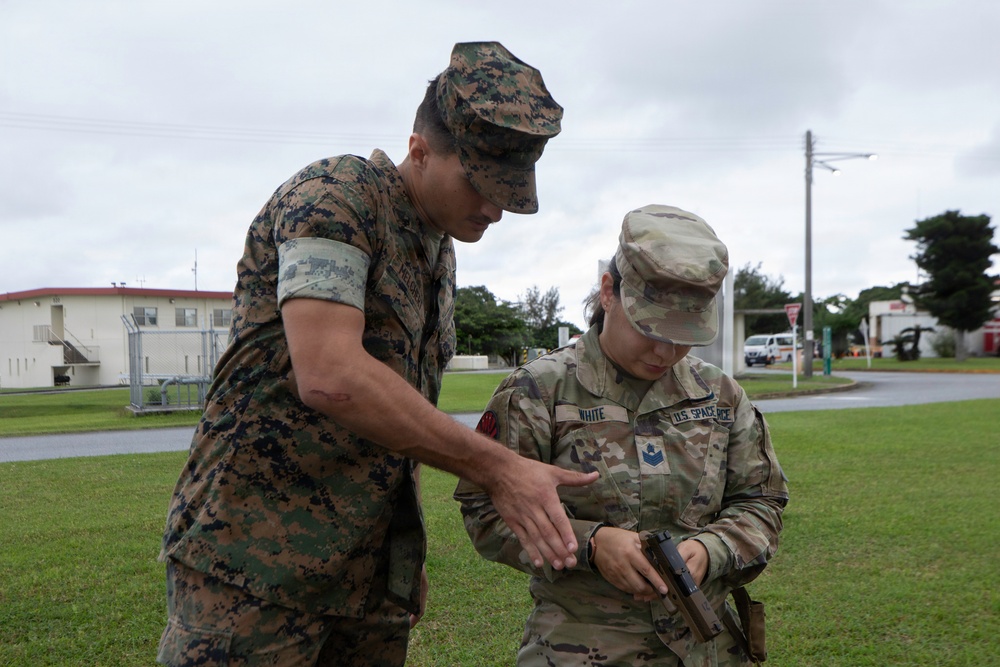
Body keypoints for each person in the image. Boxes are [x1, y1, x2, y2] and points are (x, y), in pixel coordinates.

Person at [157, 41, 598, 667]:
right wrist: (501, 469)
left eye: (510, 189)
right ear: (419, 149)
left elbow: (406, 417)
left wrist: (402, 555)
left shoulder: (438, 251)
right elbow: (332, 376)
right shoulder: (336, 198)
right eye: (480, 183)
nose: (495, 209)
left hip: (365, 577)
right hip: (251, 569)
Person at [455, 204, 789, 666]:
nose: (665, 351)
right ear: (608, 292)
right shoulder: (538, 391)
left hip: (707, 651)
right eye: (649, 328)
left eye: (684, 334)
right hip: (581, 650)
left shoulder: (721, 394)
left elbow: (762, 502)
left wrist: (711, 550)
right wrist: (589, 544)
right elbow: (486, 510)